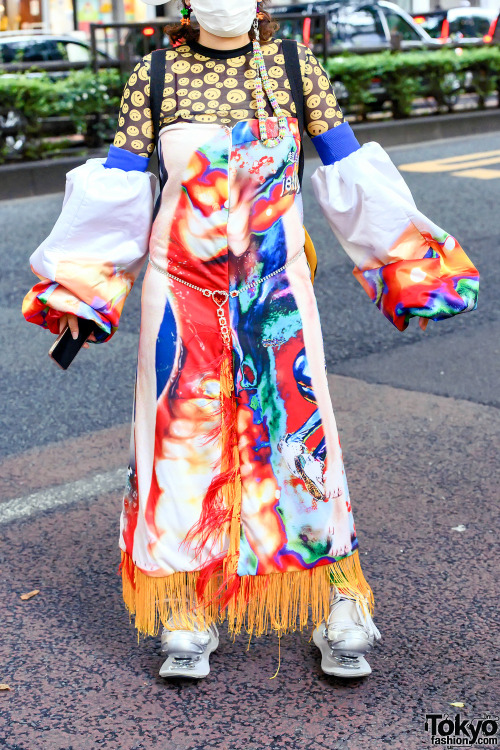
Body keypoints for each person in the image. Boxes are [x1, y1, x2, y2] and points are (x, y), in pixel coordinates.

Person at [21, 0, 479, 680]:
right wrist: (81, 290)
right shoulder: (154, 76)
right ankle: (186, 608)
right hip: (180, 296)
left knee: (300, 436)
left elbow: (350, 175)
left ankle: (335, 601)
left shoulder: (296, 67)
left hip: (277, 299)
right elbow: (120, 186)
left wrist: (411, 270)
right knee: (180, 441)